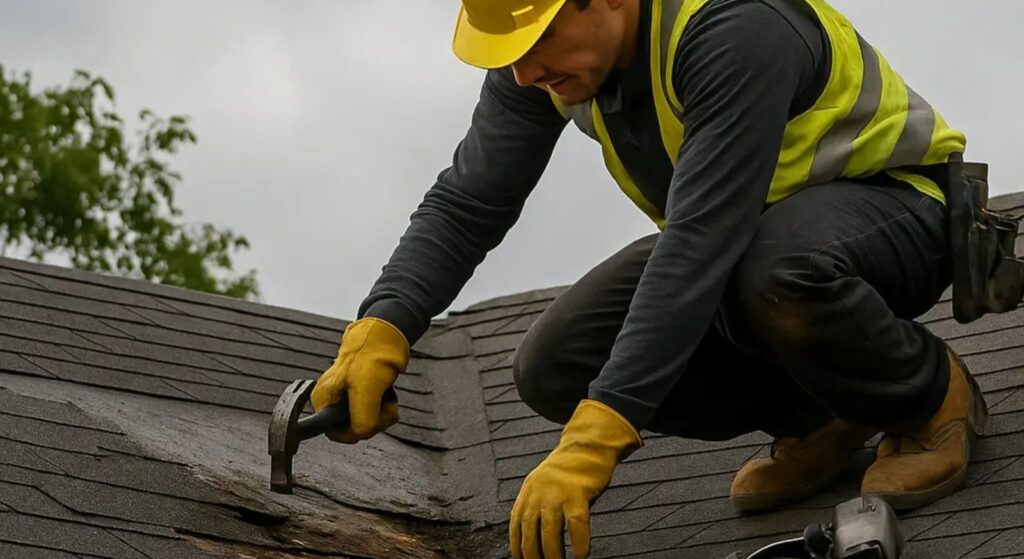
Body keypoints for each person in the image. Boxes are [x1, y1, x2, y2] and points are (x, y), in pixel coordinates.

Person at [310, 0, 990, 557]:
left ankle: (927, 398)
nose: (521, 72)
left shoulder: (732, 25)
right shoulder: (538, 67)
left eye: (537, 38)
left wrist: (591, 443)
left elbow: (699, 243)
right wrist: (381, 328)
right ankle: (826, 414)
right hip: (744, 237)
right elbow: (469, 201)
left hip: (900, 209)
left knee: (775, 273)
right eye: (507, 51)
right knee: (554, 366)